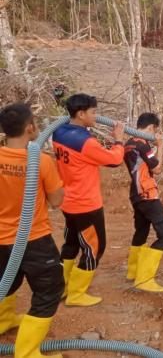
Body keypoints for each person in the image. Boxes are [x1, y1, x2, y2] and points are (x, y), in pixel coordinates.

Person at [0, 103, 64, 357]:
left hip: (1, 239)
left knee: (5, 282)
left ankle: (3, 322)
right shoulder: (42, 161)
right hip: (34, 239)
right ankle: (26, 352)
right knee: (49, 289)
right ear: (29, 128)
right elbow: (57, 201)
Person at [52, 94, 124, 307]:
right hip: (86, 204)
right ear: (81, 114)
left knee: (72, 244)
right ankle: (76, 294)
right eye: (93, 112)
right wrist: (119, 139)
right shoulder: (86, 142)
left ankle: (61, 286)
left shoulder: (58, 132)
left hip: (69, 202)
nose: (96, 116)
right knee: (94, 247)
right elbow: (114, 160)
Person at [124, 112, 163, 292]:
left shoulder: (129, 143)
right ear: (151, 127)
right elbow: (157, 169)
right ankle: (144, 279)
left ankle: (133, 271)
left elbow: (144, 164)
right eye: (155, 130)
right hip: (146, 193)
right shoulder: (143, 144)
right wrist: (160, 145)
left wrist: (161, 154)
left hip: (136, 194)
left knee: (142, 231)